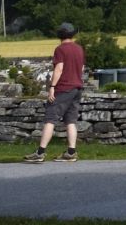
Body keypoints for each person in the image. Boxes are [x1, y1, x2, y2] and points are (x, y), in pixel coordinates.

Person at [24, 22, 85, 164]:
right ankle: (71, 152)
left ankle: (40, 153)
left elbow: (59, 69)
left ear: (60, 35)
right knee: (70, 120)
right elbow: (81, 68)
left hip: (63, 88)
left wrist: (52, 86)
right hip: (77, 88)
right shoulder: (79, 49)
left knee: (50, 118)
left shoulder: (60, 49)